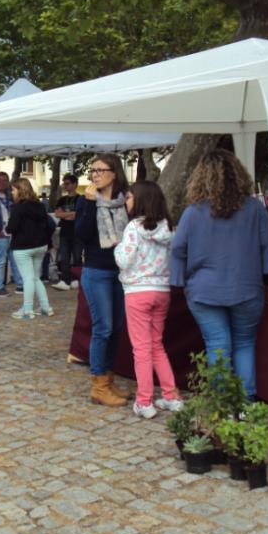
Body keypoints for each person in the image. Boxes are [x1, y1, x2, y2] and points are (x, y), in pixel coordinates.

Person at [170, 149, 268, 399]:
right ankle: (245, 404)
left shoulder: (193, 212)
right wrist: (267, 273)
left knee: (218, 345)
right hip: (247, 287)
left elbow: (177, 248)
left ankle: (222, 406)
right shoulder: (255, 208)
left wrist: (178, 280)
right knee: (244, 344)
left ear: (201, 177)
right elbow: (267, 244)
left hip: (204, 290)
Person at [113, 180, 183, 419]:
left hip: (137, 292)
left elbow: (124, 260)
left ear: (140, 199)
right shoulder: (169, 227)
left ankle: (144, 401)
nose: (127, 201)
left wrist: (117, 248)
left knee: (141, 349)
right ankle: (171, 395)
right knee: (156, 345)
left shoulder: (133, 227)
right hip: (162, 291)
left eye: (130, 197)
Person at [75, 153, 131, 407]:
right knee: (104, 327)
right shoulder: (88, 200)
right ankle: (98, 385)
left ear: (114, 173)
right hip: (97, 271)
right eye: (93, 170)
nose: (95, 174)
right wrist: (88, 204)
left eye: (100, 170)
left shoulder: (125, 201)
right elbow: (82, 236)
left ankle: (108, 378)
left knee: (117, 327)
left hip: (121, 271)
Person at [5, 177, 53, 319]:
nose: (12, 193)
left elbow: (11, 228)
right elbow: (47, 225)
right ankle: (45, 307)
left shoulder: (18, 208)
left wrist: (7, 228)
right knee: (35, 278)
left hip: (23, 247)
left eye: (13, 190)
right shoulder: (39, 205)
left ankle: (27, 309)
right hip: (40, 245)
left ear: (20, 190)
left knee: (28, 279)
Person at [52, 173, 82, 291]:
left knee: (77, 257)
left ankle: (76, 279)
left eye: (68, 183)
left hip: (77, 232)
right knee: (64, 257)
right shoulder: (62, 199)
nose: (65, 186)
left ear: (75, 184)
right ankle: (65, 280)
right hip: (65, 232)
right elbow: (57, 214)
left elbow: (79, 214)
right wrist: (70, 215)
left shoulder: (81, 199)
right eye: (64, 183)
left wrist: (66, 215)